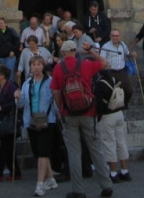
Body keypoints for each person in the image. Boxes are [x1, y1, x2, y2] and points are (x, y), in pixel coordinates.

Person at [51, 40, 114, 198]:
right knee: (96, 149)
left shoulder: (58, 68)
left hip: (69, 114)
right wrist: (91, 51)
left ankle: (79, 190)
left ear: (64, 53)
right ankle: (106, 185)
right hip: (88, 111)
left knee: (74, 153)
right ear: (75, 51)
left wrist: (61, 109)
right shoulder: (86, 64)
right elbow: (106, 63)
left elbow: (56, 93)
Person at [15, 55, 58, 196]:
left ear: (43, 66)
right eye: (33, 65)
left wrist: (59, 116)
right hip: (31, 120)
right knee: (39, 152)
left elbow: (56, 101)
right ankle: (50, 179)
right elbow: (21, 104)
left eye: (39, 64)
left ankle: (40, 184)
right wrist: (18, 97)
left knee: (43, 152)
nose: (36, 67)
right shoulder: (27, 83)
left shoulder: (50, 81)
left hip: (47, 120)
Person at [95, 68, 131, 183]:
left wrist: (98, 116)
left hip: (107, 115)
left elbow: (99, 104)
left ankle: (113, 172)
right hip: (119, 112)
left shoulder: (100, 85)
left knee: (109, 143)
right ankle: (125, 170)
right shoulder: (115, 80)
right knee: (121, 141)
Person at [0, 65, 21, 182]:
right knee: (8, 149)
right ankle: (15, 172)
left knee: (4, 149)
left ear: (2, 75)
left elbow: (14, 103)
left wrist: (1, 108)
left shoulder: (10, 87)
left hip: (7, 122)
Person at [99, 29, 135, 106]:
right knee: (111, 92)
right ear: (110, 36)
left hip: (122, 71)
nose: (115, 37)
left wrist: (132, 55)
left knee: (129, 90)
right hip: (111, 72)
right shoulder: (105, 46)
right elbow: (102, 59)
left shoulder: (122, 45)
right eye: (113, 36)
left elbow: (127, 54)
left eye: (117, 36)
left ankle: (124, 105)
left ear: (119, 37)